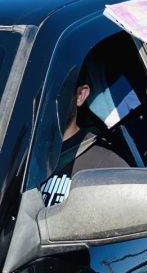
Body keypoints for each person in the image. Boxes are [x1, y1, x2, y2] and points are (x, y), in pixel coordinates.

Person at [40, 69, 130, 207]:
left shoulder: (107, 166)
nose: (41, 101)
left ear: (80, 95)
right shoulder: (16, 158)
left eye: (52, 90)